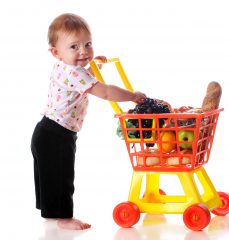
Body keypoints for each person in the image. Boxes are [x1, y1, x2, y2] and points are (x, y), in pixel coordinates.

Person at [30, 13, 146, 230]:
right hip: (58, 134)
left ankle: (49, 212)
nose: (83, 51)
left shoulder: (63, 66)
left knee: (48, 174)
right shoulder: (75, 73)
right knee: (62, 175)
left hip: (45, 130)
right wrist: (132, 95)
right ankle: (64, 218)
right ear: (56, 52)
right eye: (74, 47)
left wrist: (94, 66)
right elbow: (106, 92)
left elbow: (84, 76)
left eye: (88, 44)